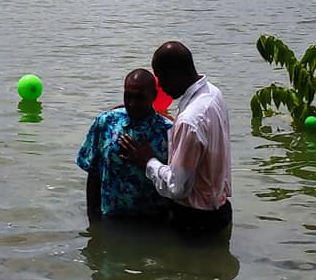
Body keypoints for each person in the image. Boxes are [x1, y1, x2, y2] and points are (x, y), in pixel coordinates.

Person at [119, 41, 232, 232]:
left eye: (161, 77)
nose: (160, 85)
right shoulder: (213, 94)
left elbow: (176, 187)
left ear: (175, 74)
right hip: (220, 208)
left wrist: (147, 161)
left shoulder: (189, 120)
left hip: (195, 218)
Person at [77, 69, 171, 221]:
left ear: (154, 96)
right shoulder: (106, 122)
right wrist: (93, 221)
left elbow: (175, 183)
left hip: (153, 223)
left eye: (139, 98)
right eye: (128, 96)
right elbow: (93, 172)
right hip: (110, 217)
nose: (132, 103)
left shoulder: (168, 132)